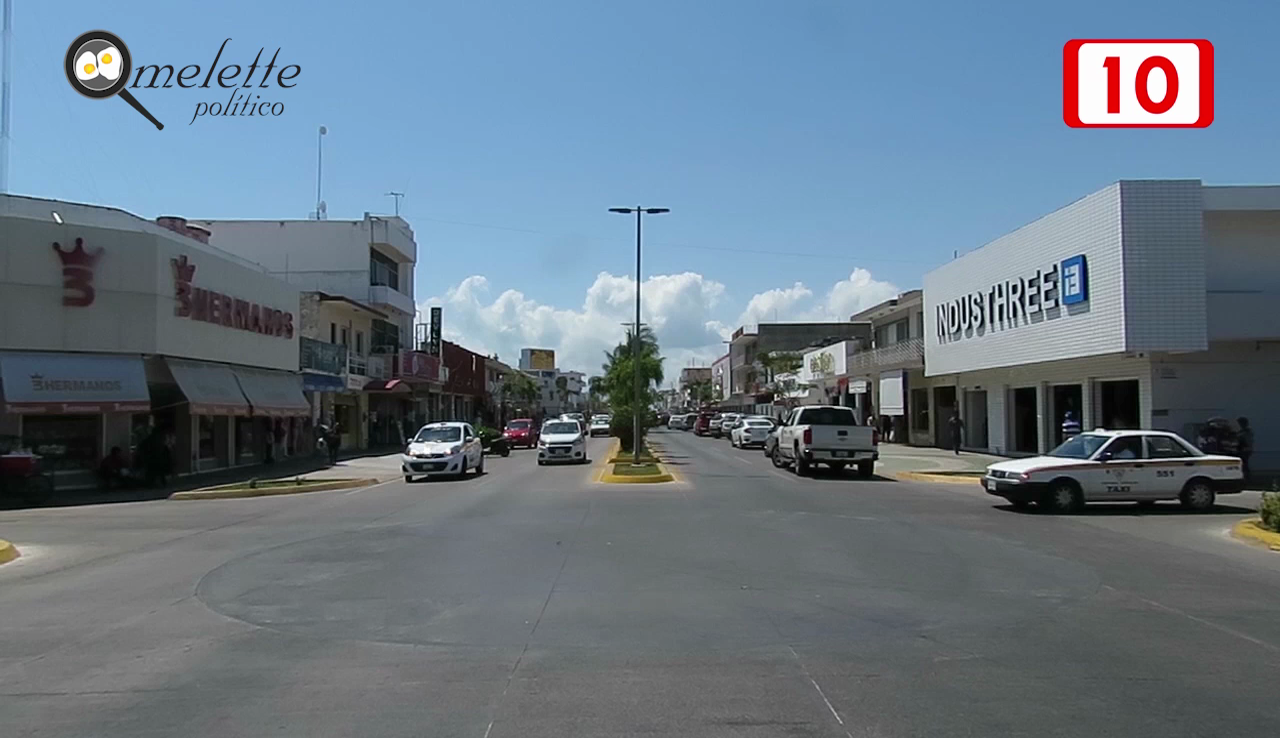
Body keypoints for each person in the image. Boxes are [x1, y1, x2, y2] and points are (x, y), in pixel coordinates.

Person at [1237, 416, 1254, 480]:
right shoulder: (1244, 431)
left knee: (1244, 463)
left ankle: (1246, 477)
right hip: (1245, 449)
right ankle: (1245, 476)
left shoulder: (1247, 431)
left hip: (1245, 449)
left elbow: (1244, 438)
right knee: (1244, 463)